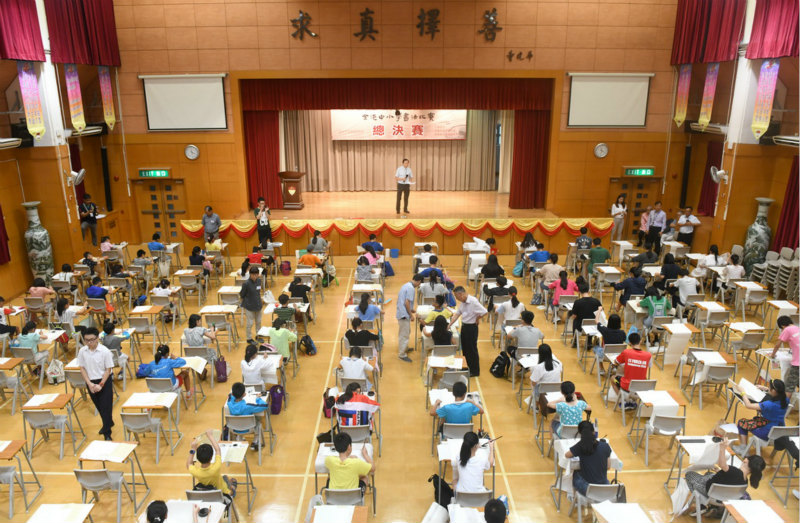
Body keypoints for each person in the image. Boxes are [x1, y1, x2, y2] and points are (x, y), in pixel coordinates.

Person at [684, 439, 765, 517]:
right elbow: (729, 478)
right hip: (723, 498)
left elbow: (722, 464)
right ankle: (713, 507)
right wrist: (719, 471)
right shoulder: (745, 482)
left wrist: (722, 448)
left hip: (708, 491)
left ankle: (701, 505)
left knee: (689, 474)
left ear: (746, 461)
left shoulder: (734, 471)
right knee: (708, 473)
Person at [732, 379, 789, 454]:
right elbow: (777, 395)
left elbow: (748, 405)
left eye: (770, 387)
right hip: (779, 431)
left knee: (742, 423)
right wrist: (766, 388)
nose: (768, 387)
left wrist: (743, 392)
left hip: (766, 433)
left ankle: (744, 449)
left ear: (774, 391)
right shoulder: (786, 399)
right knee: (755, 419)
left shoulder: (769, 404)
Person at [77, 327, 115, 440]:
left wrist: (101, 384)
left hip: (104, 381)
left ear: (98, 338)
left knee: (105, 407)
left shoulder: (105, 351)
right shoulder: (82, 351)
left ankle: (107, 432)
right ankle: (109, 422)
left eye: (92, 340)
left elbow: (108, 370)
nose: (89, 343)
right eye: (86, 340)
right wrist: (89, 384)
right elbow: (82, 368)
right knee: (99, 406)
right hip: (91, 382)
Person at [564, 420, 612, 495]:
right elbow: (608, 467)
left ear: (580, 434)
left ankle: (574, 498)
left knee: (575, 472)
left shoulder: (581, 446)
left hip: (588, 489)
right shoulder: (605, 446)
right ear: (593, 432)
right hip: (604, 488)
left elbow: (567, 455)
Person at [187, 430, 237, 501]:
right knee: (231, 481)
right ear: (211, 457)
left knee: (225, 477)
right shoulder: (216, 468)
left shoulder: (196, 472)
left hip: (208, 495)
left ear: (197, 458)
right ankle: (233, 488)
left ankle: (229, 483)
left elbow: (189, 464)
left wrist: (193, 449)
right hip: (223, 494)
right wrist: (210, 436)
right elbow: (218, 450)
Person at [449, 286, 487, 376]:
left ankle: (474, 371)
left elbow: (485, 311)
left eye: (456, 296)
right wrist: (449, 324)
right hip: (465, 327)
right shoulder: (463, 303)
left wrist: (478, 318)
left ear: (461, 294)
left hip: (471, 328)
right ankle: (466, 367)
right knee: (465, 349)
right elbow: (457, 314)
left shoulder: (473, 301)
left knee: (472, 350)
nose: (456, 298)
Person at [227, 382, 270, 449]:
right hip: (249, 429)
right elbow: (264, 405)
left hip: (234, 429)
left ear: (233, 393)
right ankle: (255, 440)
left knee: (239, 421)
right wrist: (258, 398)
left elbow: (229, 397)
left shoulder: (230, 404)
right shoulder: (248, 407)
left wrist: (232, 395)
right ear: (244, 394)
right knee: (258, 419)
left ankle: (240, 437)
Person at [611, 333, 651, 401]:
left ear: (629, 342)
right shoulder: (648, 355)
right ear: (640, 341)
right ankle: (632, 400)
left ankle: (623, 401)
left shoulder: (626, 352)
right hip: (641, 387)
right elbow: (649, 366)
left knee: (612, 378)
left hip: (626, 386)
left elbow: (616, 362)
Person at [396, 274, 423, 362]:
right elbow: (407, 302)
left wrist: (411, 309)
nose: (419, 285)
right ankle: (402, 354)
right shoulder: (411, 288)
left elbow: (404, 300)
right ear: (418, 281)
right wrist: (411, 314)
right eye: (419, 283)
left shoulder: (406, 285)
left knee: (406, 332)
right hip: (404, 314)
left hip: (402, 311)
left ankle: (405, 348)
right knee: (404, 335)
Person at [771, 316, 799, 395]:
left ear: (782, 326)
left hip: (797, 363)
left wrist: (773, 354)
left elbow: (777, 345)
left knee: (789, 387)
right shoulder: (796, 327)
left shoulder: (787, 329)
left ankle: (784, 406)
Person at [569, 282, 601, 347]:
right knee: (591, 320)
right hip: (593, 327)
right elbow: (600, 314)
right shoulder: (596, 301)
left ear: (579, 292)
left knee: (575, 320)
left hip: (581, 328)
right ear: (588, 290)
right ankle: (589, 341)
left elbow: (574, 316)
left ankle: (575, 341)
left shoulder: (577, 302)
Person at [239, 266, 263, 344]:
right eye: (253, 275)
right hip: (249, 306)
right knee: (250, 323)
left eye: (256, 275)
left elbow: (258, 292)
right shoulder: (246, 284)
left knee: (258, 322)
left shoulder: (259, 281)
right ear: (250, 275)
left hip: (258, 305)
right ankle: (249, 338)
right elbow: (242, 295)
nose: (255, 276)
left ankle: (258, 335)